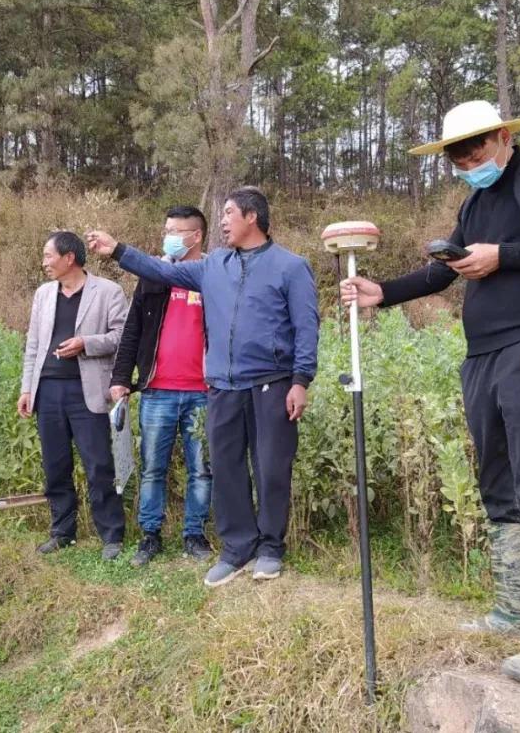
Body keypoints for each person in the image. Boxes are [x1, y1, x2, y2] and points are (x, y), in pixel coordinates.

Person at [340, 100, 520, 686]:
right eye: (455, 156)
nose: (466, 162)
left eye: (474, 150)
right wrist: (381, 292)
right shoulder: (475, 200)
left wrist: (503, 256)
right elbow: (445, 272)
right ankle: (512, 610)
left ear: (503, 137)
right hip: (480, 357)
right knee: (498, 486)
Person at [87, 187, 319, 587]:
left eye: (228, 213)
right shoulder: (213, 268)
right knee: (226, 469)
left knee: (270, 468)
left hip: (271, 383)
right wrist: (118, 250)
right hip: (222, 386)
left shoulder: (290, 266)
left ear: (252, 217)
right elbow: (162, 271)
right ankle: (237, 548)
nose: (223, 221)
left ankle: (270, 548)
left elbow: (306, 327)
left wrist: (300, 381)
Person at [109, 206, 213, 566]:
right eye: (165, 228)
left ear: (196, 236)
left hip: (204, 393)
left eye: (175, 230)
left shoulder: (213, 275)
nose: (167, 235)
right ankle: (150, 535)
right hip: (157, 390)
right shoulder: (153, 276)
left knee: (202, 468)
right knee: (153, 467)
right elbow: (131, 330)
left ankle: (194, 534)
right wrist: (121, 379)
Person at [18, 231, 129, 561]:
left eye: (48, 256)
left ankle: (111, 534)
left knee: (98, 465)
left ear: (69, 258)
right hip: (47, 390)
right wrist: (27, 388)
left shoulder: (108, 292)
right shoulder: (43, 294)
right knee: (55, 465)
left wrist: (86, 343)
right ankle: (62, 532)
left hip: (87, 391)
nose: (44, 262)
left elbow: (121, 337)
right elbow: (33, 345)